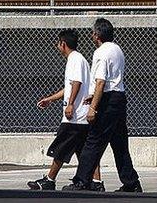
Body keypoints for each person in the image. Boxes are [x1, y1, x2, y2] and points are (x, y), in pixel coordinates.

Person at [63, 18, 142, 193]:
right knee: (119, 143)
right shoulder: (117, 50)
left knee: (93, 140)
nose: (92, 35)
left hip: (107, 100)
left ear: (97, 35)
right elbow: (111, 80)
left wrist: (93, 108)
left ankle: (81, 181)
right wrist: (94, 96)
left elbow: (100, 82)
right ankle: (131, 182)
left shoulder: (100, 52)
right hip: (119, 98)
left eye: (93, 33)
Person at [27, 29, 104, 191]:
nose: (57, 46)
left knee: (61, 147)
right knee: (85, 151)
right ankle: (96, 182)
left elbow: (76, 83)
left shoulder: (75, 59)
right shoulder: (78, 59)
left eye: (58, 43)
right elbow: (69, 87)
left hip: (75, 116)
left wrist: (70, 105)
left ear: (63, 44)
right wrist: (50, 99)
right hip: (81, 116)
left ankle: (49, 179)